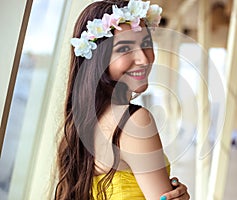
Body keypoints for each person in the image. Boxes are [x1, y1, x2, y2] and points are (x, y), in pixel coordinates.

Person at [55, 0, 190, 199]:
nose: (143, 59)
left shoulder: (81, 123)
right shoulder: (133, 121)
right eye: (125, 49)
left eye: (146, 44)